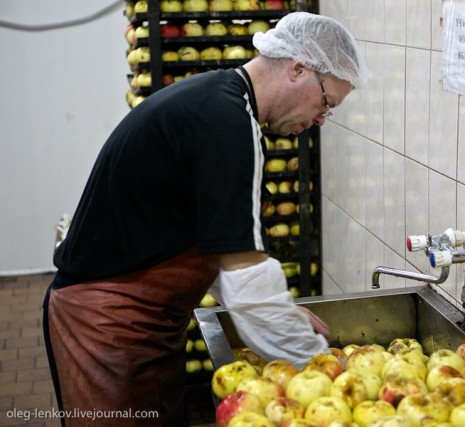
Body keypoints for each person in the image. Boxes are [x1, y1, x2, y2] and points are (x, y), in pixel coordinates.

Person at [43, 11, 367, 427]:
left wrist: (277, 312)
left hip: (141, 323)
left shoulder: (222, 105)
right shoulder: (229, 124)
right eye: (326, 103)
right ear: (298, 68)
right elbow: (245, 278)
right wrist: (320, 366)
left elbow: (210, 240)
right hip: (106, 327)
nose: (321, 119)